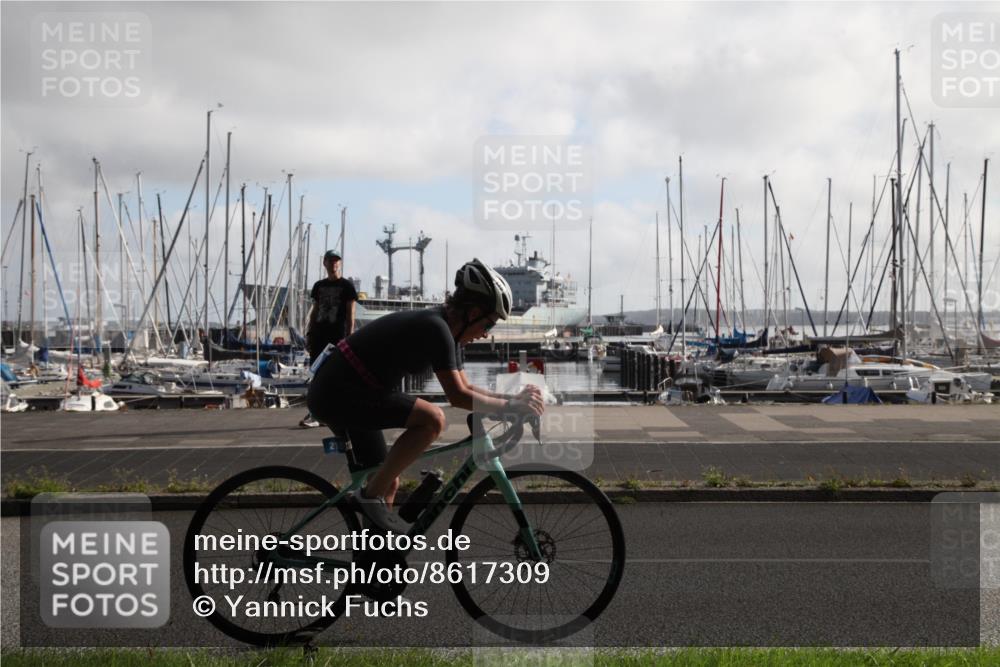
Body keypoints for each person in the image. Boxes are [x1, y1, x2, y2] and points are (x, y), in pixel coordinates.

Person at [306, 258, 544, 532]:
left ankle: (374, 563)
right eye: (489, 325)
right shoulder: (436, 328)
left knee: (386, 480)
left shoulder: (450, 333)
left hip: (349, 389)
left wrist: (509, 399)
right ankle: (369, 501)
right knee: (432, 420)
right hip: (338, 392)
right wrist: (511, 406)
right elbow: (458, 396)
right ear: (474, 312)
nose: (485, 335)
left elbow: (467, 387)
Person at [299, 250, 358, 428]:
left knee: (337, 375)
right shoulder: (318, 286)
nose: (334, 264)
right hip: (319, 336)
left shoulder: (347, 287)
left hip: (337, 337)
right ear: (324, 263)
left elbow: (351, 315)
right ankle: (315, 413)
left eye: (336, 261)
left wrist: (348, 338)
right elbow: (315, 311)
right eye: (330, 261)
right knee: (316, 374)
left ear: (340, 263)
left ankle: (336, 411)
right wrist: (309, 334)